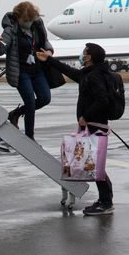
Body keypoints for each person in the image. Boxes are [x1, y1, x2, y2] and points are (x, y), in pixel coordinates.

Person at [39, 42, 115, 216]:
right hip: (93, 124)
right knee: (96, 164)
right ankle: (105, 200)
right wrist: (49, 59)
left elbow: (102, 100)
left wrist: (86, 116)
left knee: (96, 165)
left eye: (84, 52)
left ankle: (106, 203)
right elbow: (70, 71)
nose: (82, 55)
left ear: (89, 57)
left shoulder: (94, 76)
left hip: (95, 125)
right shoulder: (89, 73)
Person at [0, 1, 55, 139]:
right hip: (21, 71)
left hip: (37, 69)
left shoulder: (37, 25)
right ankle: (30, 137)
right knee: (30, 102)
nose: (28, 23)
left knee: (45, 98)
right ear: (18, 17)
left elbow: (45, 41)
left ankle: (16, 113)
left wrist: (49, 51)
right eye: (25, 20)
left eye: (31, 20)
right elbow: (0, 50)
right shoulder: (11, 29)